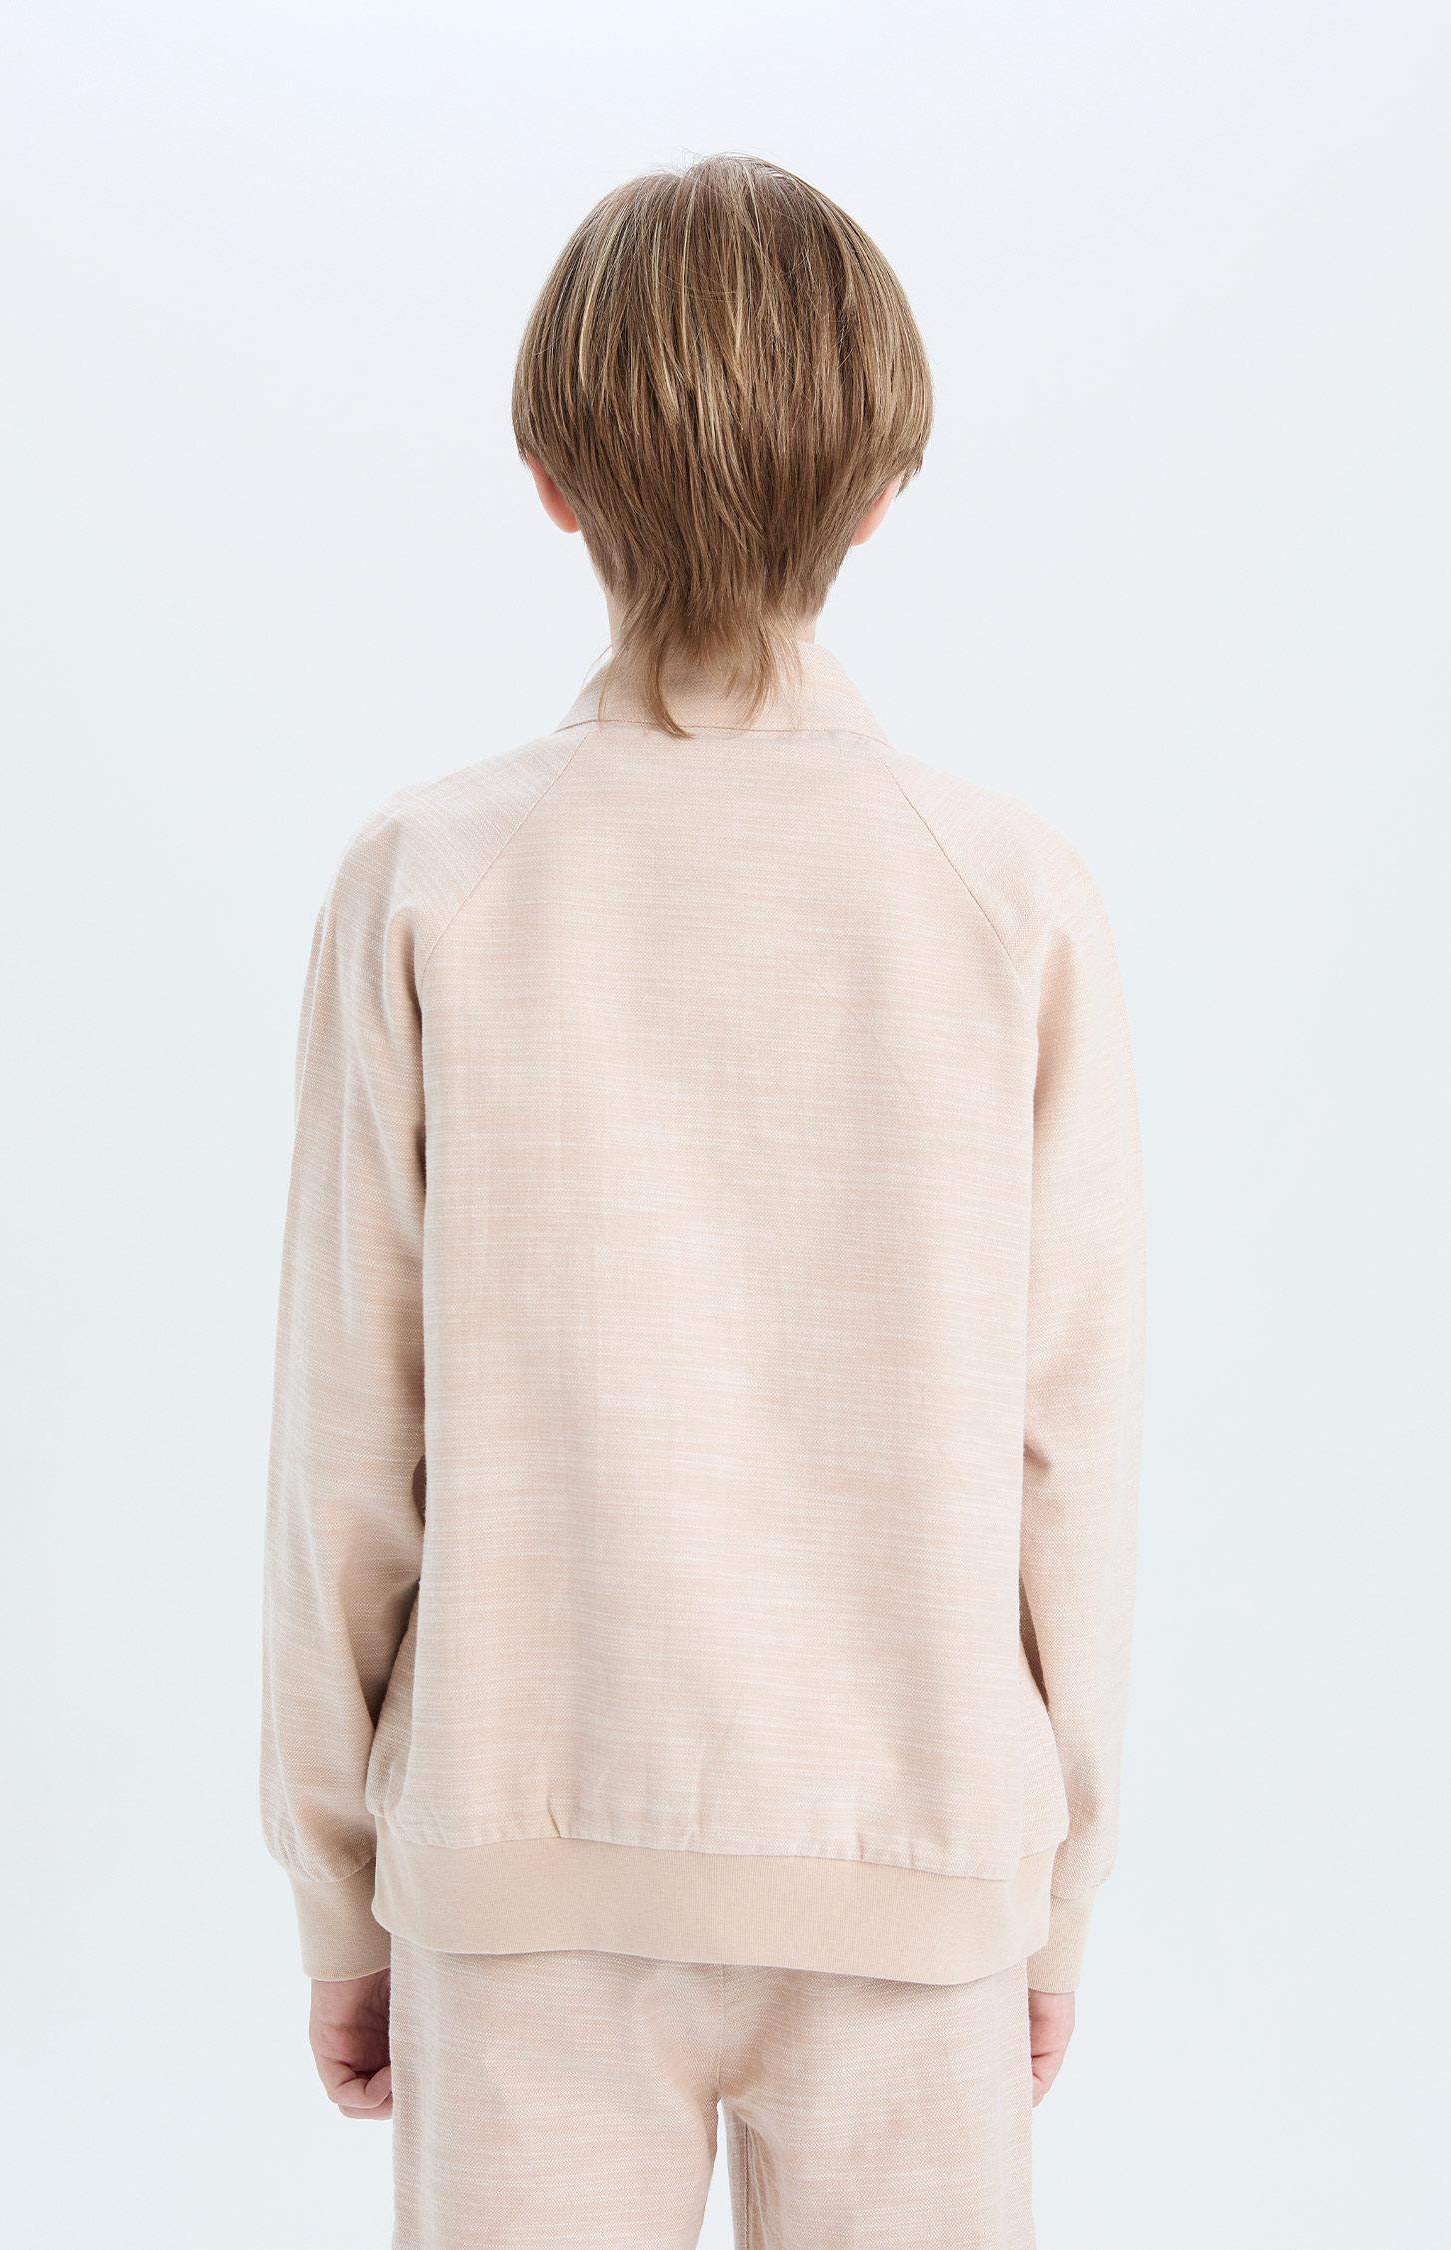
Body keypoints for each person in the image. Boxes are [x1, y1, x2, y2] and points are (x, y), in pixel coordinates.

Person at [262, 152, 1144, 2248]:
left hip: (521, 1862)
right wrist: (1051, 1894)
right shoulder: (1006, 897)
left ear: (552, 479)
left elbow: (346, 1455)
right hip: (916, 1861)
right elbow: (1071, 1457)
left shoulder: (430, 881)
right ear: (882, 492)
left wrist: (341, 1889)